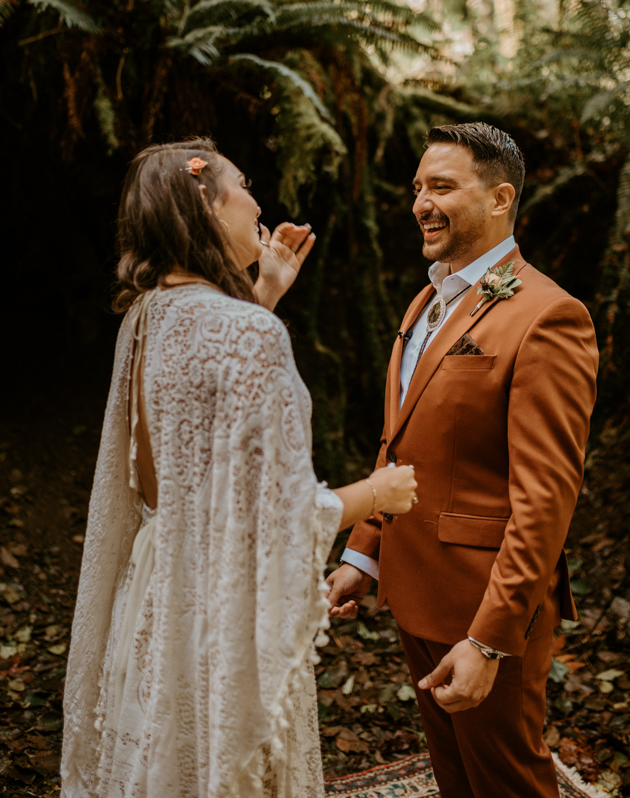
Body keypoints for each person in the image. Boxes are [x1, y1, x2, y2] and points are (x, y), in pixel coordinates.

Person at [60, 138, 417, 798]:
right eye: (243, 184)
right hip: (222, 600)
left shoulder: (144, 317)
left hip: (157, 590)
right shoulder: (247, 333)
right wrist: (377, 492)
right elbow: (278, 513)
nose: (258, 201)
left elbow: (196, 428)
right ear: (205, 205)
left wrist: (263, 293)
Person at [327, 122, 598, 798]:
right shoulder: (425, 300)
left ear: (501, 198)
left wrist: (488, 641)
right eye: (418, 187)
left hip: (486, 604)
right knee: (455, 778)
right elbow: (404, 443)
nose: (421, 201)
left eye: (442, 186)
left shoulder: (549, 315)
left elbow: (545, 499)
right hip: (413, 589)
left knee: (507, 780)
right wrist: (363, 554)